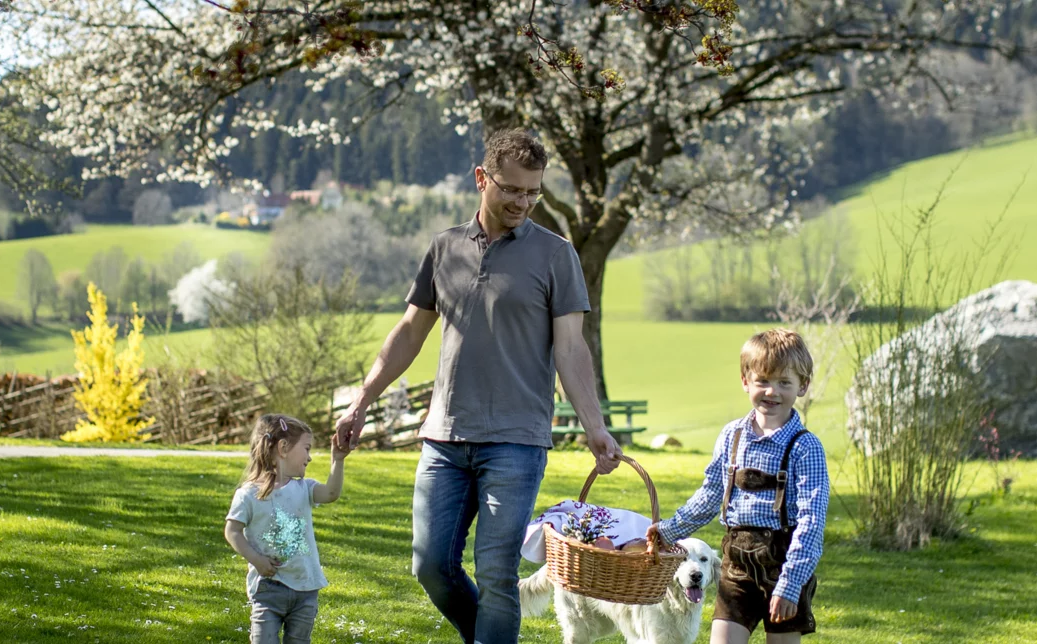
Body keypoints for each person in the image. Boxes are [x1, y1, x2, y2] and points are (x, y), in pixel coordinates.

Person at [333, 128, 623, 644]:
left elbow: (572, 349)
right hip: (444, 436)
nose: (523, 202)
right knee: (429, 566)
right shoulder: (444, 247)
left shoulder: (556, 255)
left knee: (496, 576)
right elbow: (408, 332)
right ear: (482, 179)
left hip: (516, 440)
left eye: (533, 192)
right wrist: (362, 400)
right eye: (512, 190)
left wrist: (594, 427)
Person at [651, 328, 829, 643]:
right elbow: (709, 496)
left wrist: (791, 583)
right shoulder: (732, 437)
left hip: (785, 566)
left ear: (803, 386)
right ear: (746, 381)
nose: (772, 392)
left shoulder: (806, 447)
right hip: (737, 567)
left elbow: (811, 523)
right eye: (763, 381)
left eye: (784, 383)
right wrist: (667, 531)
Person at [225, 414, 351, 644]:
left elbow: (331, 493)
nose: (310, 457)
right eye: (306, 448)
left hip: (305, 588)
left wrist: (338, 460)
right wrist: (256, 559)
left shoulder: (304, 488)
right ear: (283, 448)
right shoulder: (248, 494)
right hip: (268, 588)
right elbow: (232, 531)